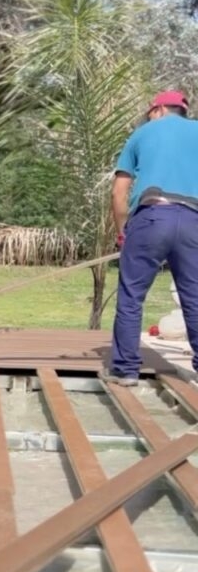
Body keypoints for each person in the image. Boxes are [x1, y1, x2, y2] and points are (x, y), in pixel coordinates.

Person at [104, 89, 198, 386]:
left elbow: (120, 192)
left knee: (132, 296)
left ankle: (125, 370)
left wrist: (123, 231)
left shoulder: (143, 133)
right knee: (195, 298)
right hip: (193, 219)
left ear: (157, 110)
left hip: (152, 215)